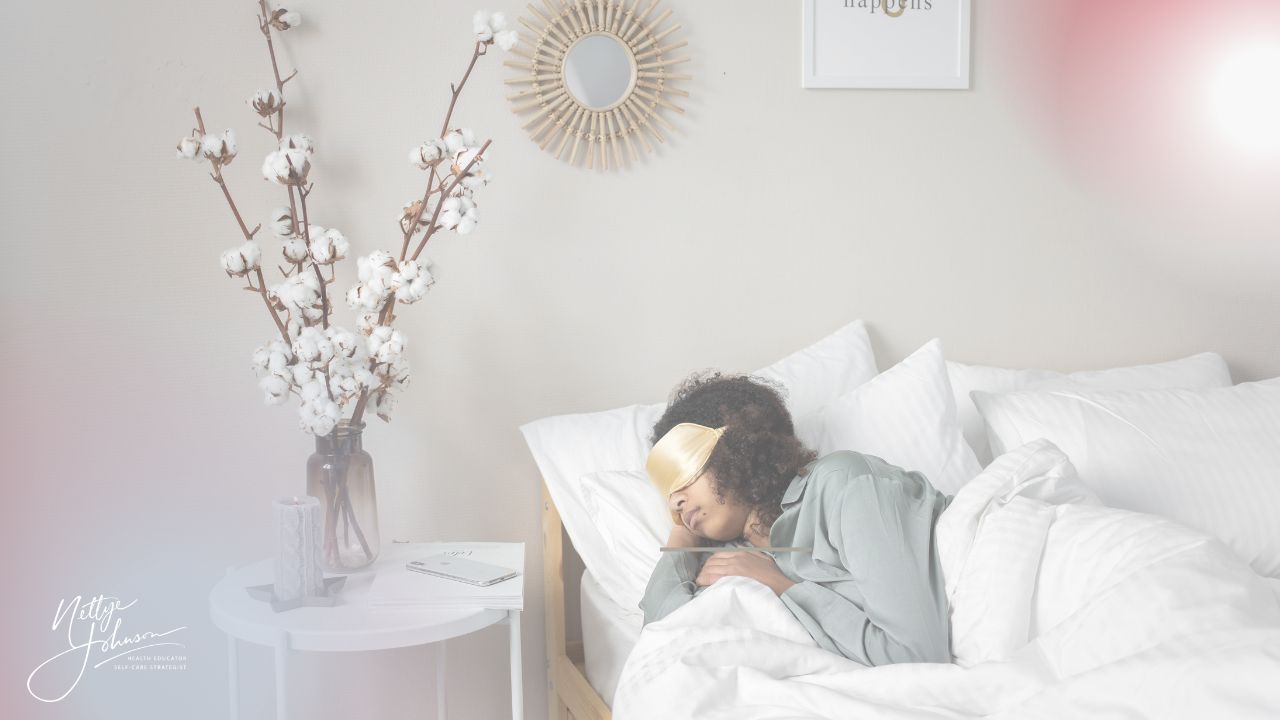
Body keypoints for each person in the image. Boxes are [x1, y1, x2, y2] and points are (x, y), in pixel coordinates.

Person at [638, 371, 954, 667]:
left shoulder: (843, 484)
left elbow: (917, 654)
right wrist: (681, 539)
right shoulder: (731, 558)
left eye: (681, 471)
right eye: (667, 493)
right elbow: (665, 641)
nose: (674, 501)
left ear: (736, 446)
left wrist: (780, 585)